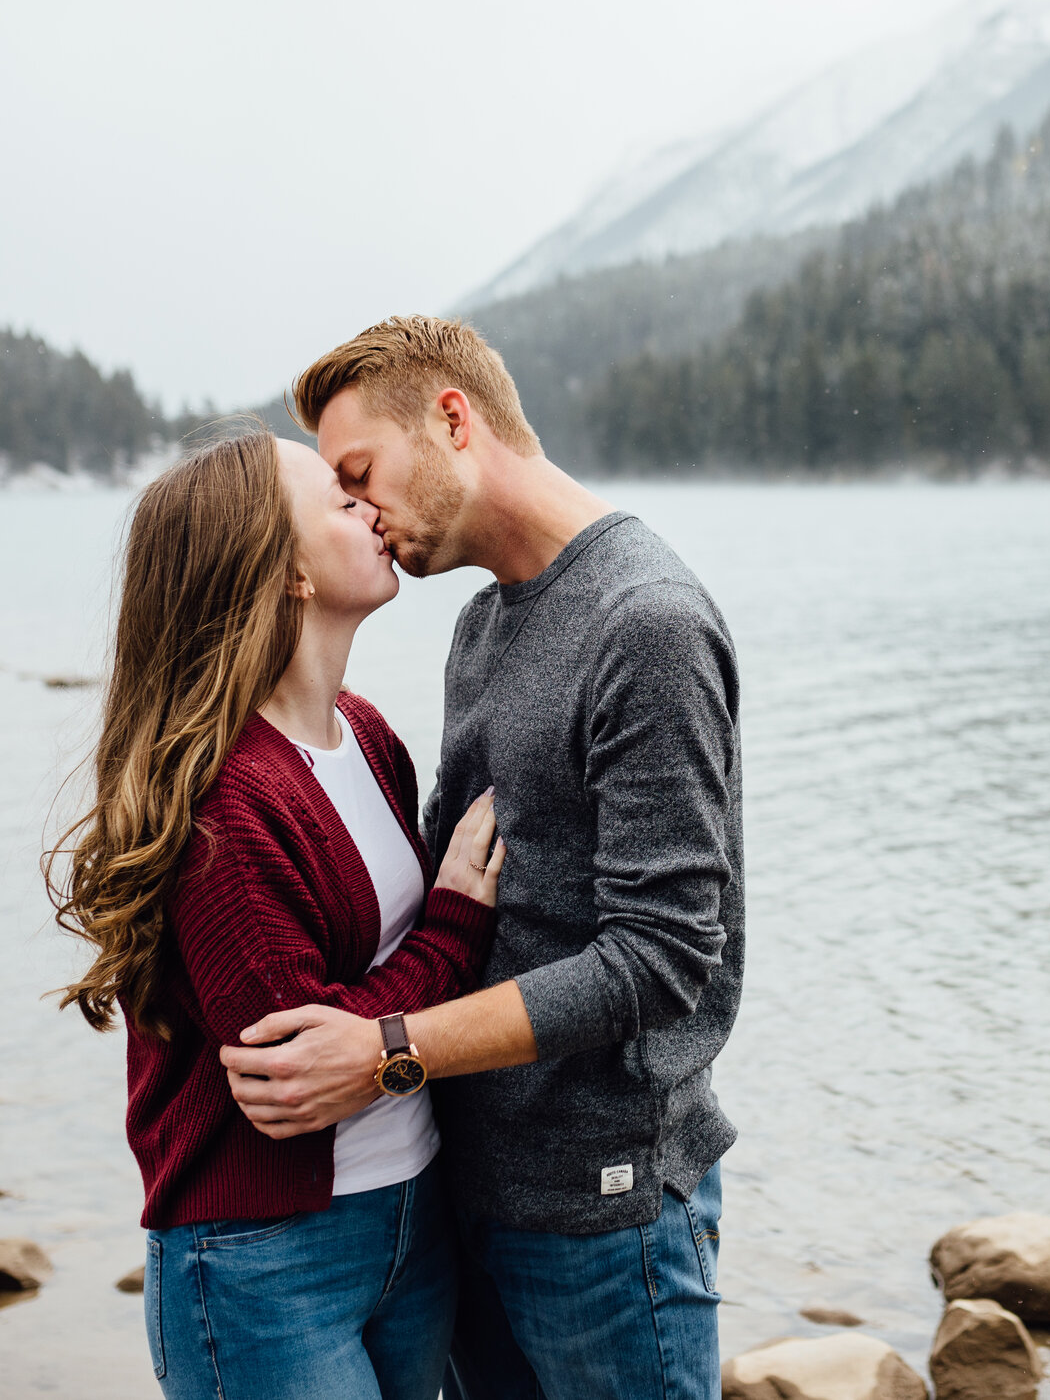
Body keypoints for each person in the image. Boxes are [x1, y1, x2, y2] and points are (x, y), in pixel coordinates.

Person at [217, 316, 745, 1400]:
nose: (359, 510)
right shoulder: (484, 625)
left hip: (604, 1212)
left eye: (361, 472)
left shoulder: (645, 621)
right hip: (471, 1201)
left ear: (453, 419)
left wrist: (387, 1050)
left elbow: (660, 957)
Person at [45, 429, 507, 1400]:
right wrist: (457, 923)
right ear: (284, 568)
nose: (373, 509)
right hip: (264, 1257)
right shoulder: (222, 805)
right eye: (341, 502)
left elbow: (363, 1037)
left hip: (412, 1217)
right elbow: (298, 1067)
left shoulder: (367, 733)